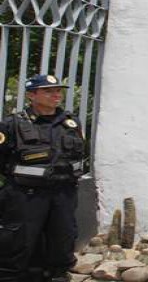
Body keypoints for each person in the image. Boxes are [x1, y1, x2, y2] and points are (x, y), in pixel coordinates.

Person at [0, 75, 86, 282]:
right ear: (31, 95)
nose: (56, 95)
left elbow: (82, 153)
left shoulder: (71, 123)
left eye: (58, 91)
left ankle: (56, 274)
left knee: (63, 237)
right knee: (19, 240)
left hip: (63, 192)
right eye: (48, 91)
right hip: (26, 195)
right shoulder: (12, 124)